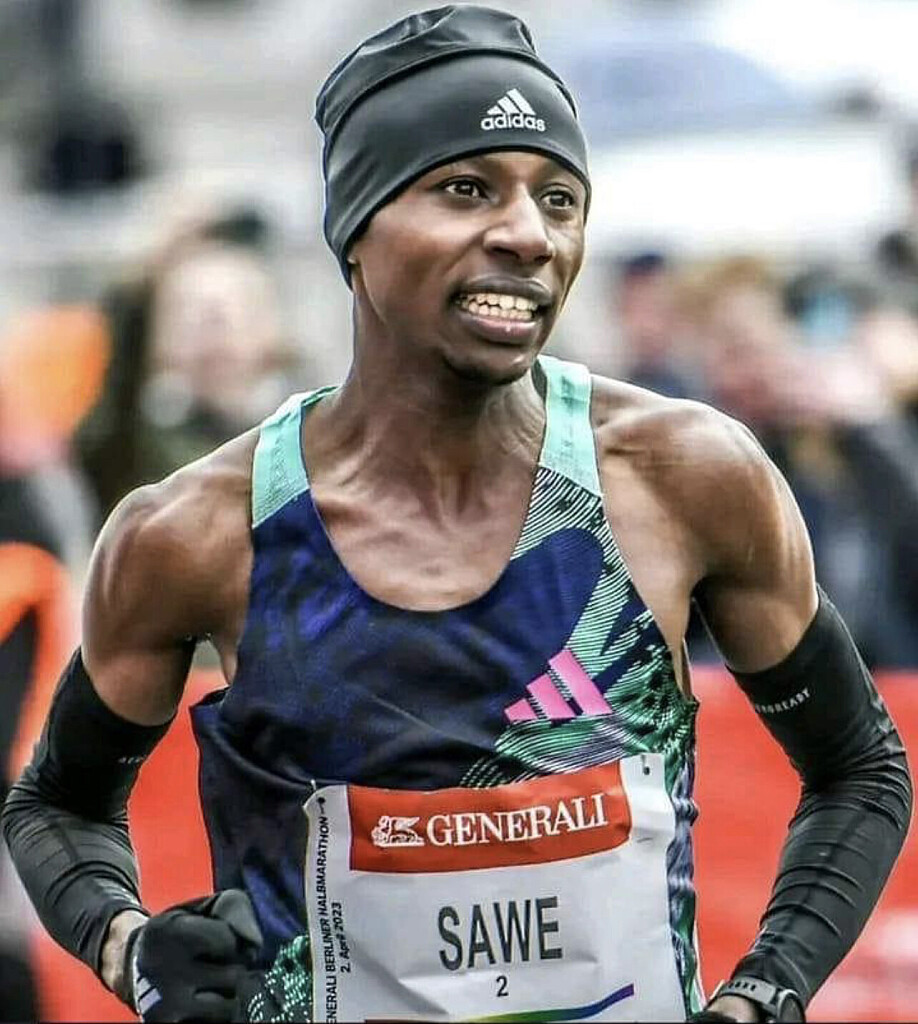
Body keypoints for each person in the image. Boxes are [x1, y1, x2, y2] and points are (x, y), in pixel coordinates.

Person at [2, 7, 912, 1023]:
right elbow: (56, 803)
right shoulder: (199, 531)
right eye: (466, 188)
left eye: (559, 198)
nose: (528, 234)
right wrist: (130, 944)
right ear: (357, 229)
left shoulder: (683, 476)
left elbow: (860, 769)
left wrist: (762, 995)